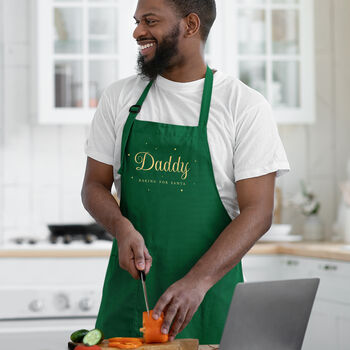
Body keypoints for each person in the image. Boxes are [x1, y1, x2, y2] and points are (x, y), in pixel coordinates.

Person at [81, 0, 290, 345]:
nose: (137, 32)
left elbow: (259, 212)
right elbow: (93, 186)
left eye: (150, 21)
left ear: (191, 25)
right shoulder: (120, 98)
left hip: (209, 298)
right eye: (136, 21)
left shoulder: (243, 106)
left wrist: (198, 282)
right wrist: (120, 227)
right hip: (133, 297)